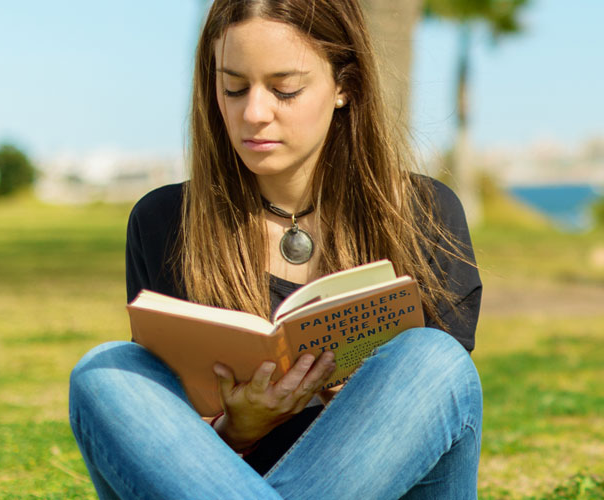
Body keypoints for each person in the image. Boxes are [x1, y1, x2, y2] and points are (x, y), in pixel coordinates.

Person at [67, 0, 483, 497]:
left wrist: (354, 396)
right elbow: (168, 449)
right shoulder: (163, 223)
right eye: (233, 88)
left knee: (432, 359)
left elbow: (436, 410)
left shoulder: (424, 212)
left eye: (285, 89)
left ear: (345, 87)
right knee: (107, 373)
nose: (254, 113)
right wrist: (238, 428)